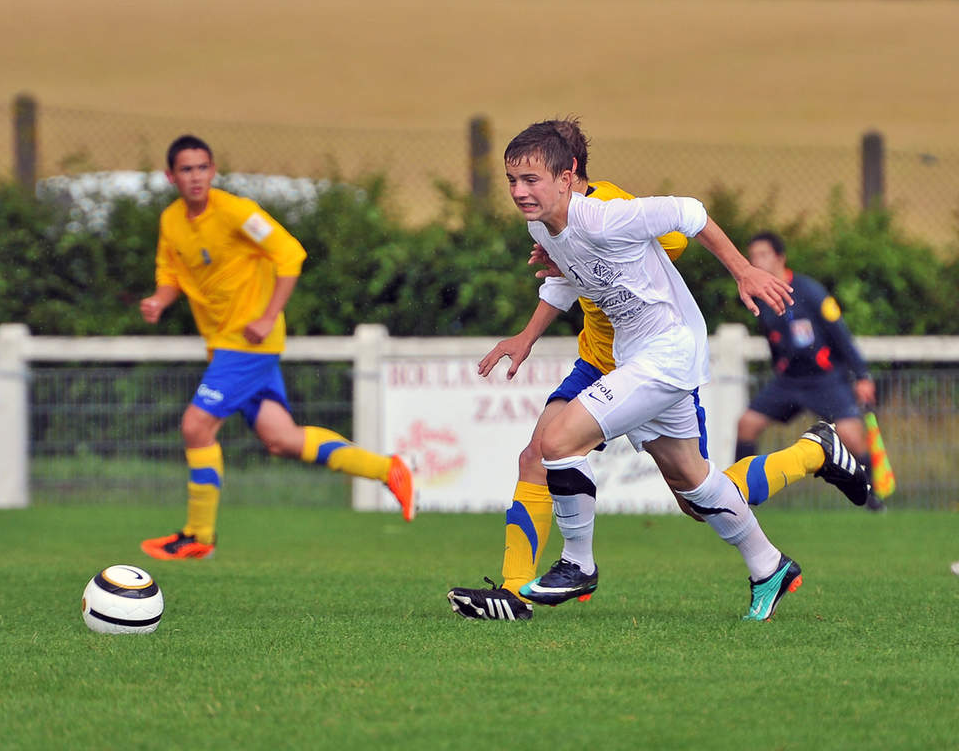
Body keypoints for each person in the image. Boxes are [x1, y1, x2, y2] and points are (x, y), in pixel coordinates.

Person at [448, 120, 869, 621]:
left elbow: (688, 215)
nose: (519, 191)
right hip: (632, 356)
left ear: (568, 174)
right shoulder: (544, 223)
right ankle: (771, 560)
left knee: (556, 444)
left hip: (664, 353)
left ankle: (576, 565)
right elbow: (574, 274)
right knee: (695, 485)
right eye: (512, 180)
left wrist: (744, 271)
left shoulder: (607, 213)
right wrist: (528, 332)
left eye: (531, 179)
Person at [138, 134, 414, 560]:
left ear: (213, 171)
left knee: (196, 426)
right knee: (281, 439)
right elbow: (170, 273)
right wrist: (159, 299)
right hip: (226, 347)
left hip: (247, 345)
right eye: (186, 170)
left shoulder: (237, 212)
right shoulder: (171, 221)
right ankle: (386, 469)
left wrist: (267, 317)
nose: (195, 177)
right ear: (170, 176)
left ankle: (199, 535)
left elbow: (290, 255)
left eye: (202, 168)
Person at [736, 231, 884, 511]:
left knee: (852, 437)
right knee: (746, 425)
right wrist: (778, 366)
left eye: (763, 254)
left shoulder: (810, 291)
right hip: (788, 381)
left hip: (825, 379)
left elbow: (841, 335)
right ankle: (738, 497)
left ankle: (872, 498)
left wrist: (862, 376)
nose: (756, 260)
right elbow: (774, 341)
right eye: (752, 256)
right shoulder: (760, 296)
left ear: (780, 258)